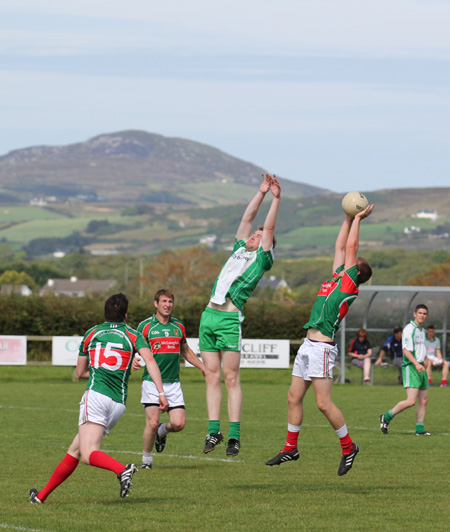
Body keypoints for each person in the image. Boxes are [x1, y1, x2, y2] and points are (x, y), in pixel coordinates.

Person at [265, 203, 374, 476]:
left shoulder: (350, 284)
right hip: (308, 345)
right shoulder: (339, 277)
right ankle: (291, 448)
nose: (351, 259)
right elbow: (340, 248)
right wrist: (347, 217)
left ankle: (349, 447)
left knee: (323, 404)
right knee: (293, 397)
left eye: (354, 262)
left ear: (357, 273)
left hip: (322, 349)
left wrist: (358, 219)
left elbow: (350, 248)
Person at [28, 293, 169, 504]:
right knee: (75, 450)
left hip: (95, 397)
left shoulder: (92, 333)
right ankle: (40, 497)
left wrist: (99, 370)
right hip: (117, 404)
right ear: (126, 315)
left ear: (105, 313)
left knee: (88, 453)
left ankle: (122, 470)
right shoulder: (133, 335)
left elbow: (80, 372)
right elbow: (149, 360)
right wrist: (160, 392)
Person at [199, 173, 281, 457]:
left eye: (258, 236)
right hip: (208, 315)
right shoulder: (238, 248)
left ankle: (234, 436)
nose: (253, 235)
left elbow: (267, 226)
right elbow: (248, 219)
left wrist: (276, 199)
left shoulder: (262, 258)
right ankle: (213, 431)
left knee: (230, 377)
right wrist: (260, 193)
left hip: (230, 319)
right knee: (211, 376)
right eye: (253, 234)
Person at [135, 289, 205, 470]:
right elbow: (135, 348)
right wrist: (133, 359)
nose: (167, 305)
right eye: (164, 301)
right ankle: (146, 461)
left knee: (179, 423)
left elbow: (186, 351)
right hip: (151, 382)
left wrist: (202, 366)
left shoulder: (178, 326)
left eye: (170, 302)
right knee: (151, 422)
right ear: (156, 304)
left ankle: (162, 431)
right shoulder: (145, 326)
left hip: (173, 383)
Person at [380, 304, 431, 436]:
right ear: (414, 314)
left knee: (424, 400)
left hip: (421, 367)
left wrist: (425, 358)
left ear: (427, 316)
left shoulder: (422, 330)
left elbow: (420, 348)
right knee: (411, 401)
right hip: (412, 367)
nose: (422, 315)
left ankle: (419, 430)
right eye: (420, 313)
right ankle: (386, 417)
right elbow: (406, 351)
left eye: (424, 313)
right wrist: (416, 364)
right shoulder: (409, 329)